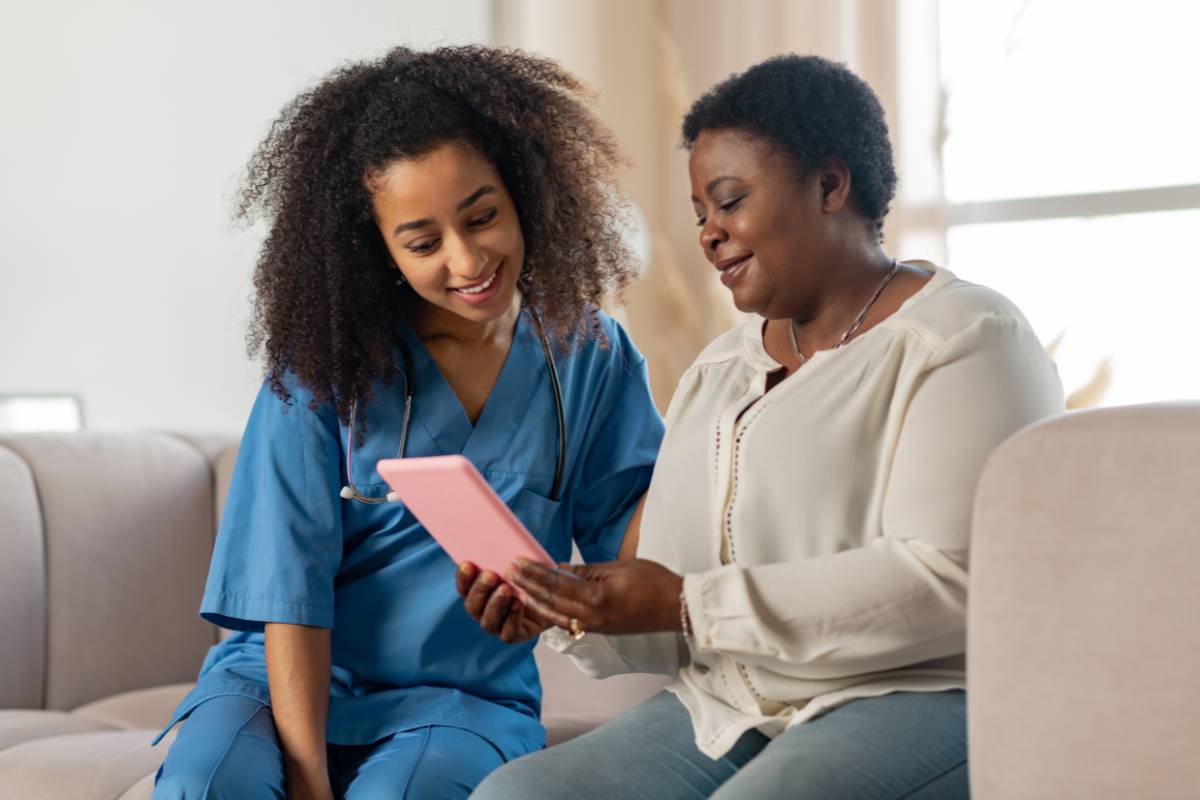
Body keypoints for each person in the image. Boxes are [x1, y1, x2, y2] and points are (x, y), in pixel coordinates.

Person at [468, 54, 1064, 799]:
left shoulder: (966, 337)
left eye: (730, 200)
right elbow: (674, 607)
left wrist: (688, 603)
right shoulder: (719, 373)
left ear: (829, 185)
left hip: (919, 696)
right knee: (513, 796)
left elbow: (951, 582)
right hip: (730, 710)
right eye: (699, 214)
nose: (710, 234)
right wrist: (574, 612)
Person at [149, 45, 663, 800]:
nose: (467, 259)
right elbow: (288, 592)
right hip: (283, 679)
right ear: (379, 249)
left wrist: (725, 433)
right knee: (208, 784)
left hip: (465, 697)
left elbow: (633, 541)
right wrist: (310, 781)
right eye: (423, 242)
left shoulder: (591, 356)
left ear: (524, 192)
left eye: (483, 216)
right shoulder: (322, 366)